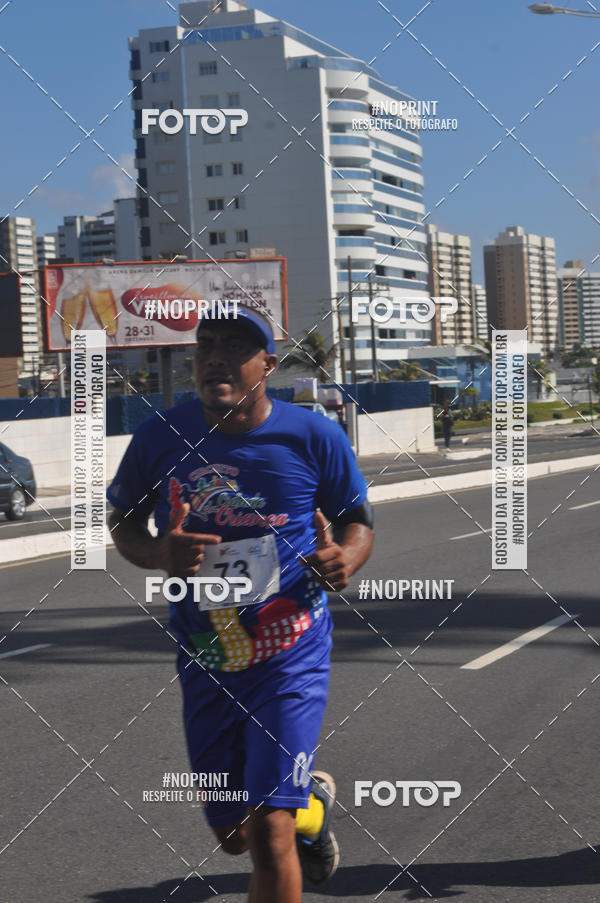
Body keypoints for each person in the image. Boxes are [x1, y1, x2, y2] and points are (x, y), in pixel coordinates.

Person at [107, 306, 374, 903]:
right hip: (206, 656)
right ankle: (315, 805)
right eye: (205, 347)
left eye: (234, 346)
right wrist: (158, 554)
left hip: (289, 653)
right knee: (234, 834)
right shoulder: (159, 435)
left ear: (267, 366)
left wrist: (347, 559)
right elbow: (123, 522)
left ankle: (293, 811)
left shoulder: (313, 436)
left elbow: (357, 521)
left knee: (269, 827)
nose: (214, 357)